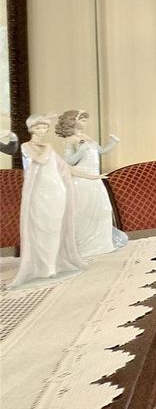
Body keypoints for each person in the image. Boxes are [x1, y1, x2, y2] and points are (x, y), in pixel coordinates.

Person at [14, 115, 87, 286]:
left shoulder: (48, 147)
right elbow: (40, 159)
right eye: (38, 128)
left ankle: (53, 266)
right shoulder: (27, 146)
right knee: (42, 229)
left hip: (57, 192)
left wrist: (93, 176)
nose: (42, 131)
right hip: (39, 194)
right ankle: (43, 267)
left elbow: (66, 167)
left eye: (44, 128)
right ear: (31, 129)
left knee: (56, 229)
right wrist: (47, 147)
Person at [56, 110, 127, 257]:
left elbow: (100, 151)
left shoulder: (85, 137)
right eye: (81, 119)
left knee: (103, 209)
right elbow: (69, 162)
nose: (84, 122)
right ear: (72, 122)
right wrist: (81, 150)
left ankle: (102, 244)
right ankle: (85, 247)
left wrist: (113, 143)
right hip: (82, 180)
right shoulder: (70, 140)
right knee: (84, 212)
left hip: (95, 178)